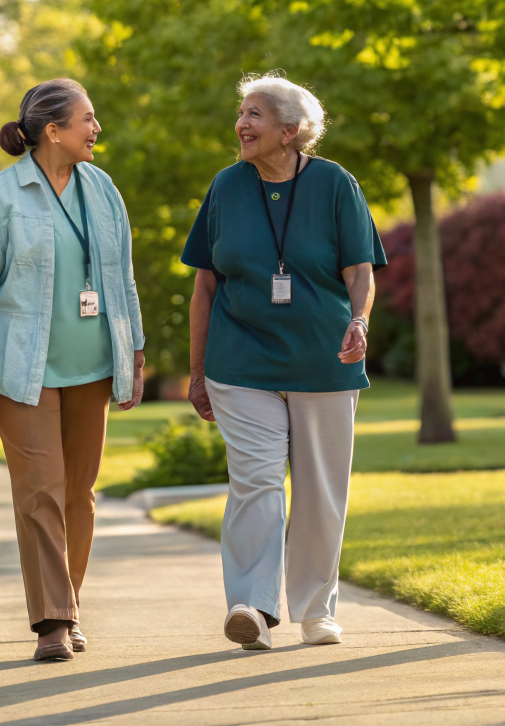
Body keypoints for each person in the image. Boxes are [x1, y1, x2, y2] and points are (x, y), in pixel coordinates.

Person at [182, 73, 386, 651]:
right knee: (256, 482)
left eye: (255, 115)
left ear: (291, 131)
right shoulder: (226, 187)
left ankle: (316, 609)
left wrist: (359, 321)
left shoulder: (335, 184)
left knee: (322, 490)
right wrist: (197, 372)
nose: (241, 125)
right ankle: (252, 607)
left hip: (324, 358)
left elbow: (360, 271)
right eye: (241, 113)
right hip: (239, 361)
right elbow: (205, 286)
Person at [0, 78, 145, 662]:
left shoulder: (102, 188)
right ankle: (53, 624)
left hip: (92, 366)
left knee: (79, 496)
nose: (97, 129)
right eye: (88, 119)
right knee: (40, 493)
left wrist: (134, 350)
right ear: (53, 131)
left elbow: (123, 276)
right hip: (21, 371)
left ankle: (70, 606)